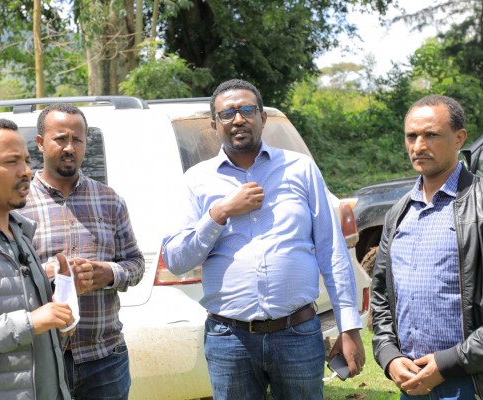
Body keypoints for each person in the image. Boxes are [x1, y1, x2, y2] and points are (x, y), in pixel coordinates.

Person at [162, 79, 365, 399]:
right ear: (214, 124)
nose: (238, 119)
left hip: (297, 334)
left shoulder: (300, 169)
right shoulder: (196, 181)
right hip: (230, 339)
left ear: (262, 117)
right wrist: (220, 212)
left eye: (247, 110)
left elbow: (332, 251)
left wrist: (349, 328)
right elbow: (176, 260)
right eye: (227, 113)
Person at [19, 103, 145, 400]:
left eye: (77, 139)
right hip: (42, 358)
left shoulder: (109, 200)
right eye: (60, 139)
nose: (69, 147)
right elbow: (7, 277)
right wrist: (52, 274)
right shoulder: (19, 204)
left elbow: (136, 263)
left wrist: (109, 273)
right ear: (40, 143)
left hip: (105, 357)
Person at [371, 95, 483, 399]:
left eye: (431, 134)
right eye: (412, 136)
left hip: (470, 383)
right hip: (412, 384)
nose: (419, 146)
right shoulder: (399, 213)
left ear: (459, 138)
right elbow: (380, 296)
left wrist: (448, 364)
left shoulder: (479, 205)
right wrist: (389, 355)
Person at [0, 118, 75, 399]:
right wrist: (31, 322)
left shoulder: (19, 233)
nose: (26, 172)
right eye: (11, 162)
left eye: (27, 161)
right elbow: (30, 323)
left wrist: (60, 299)